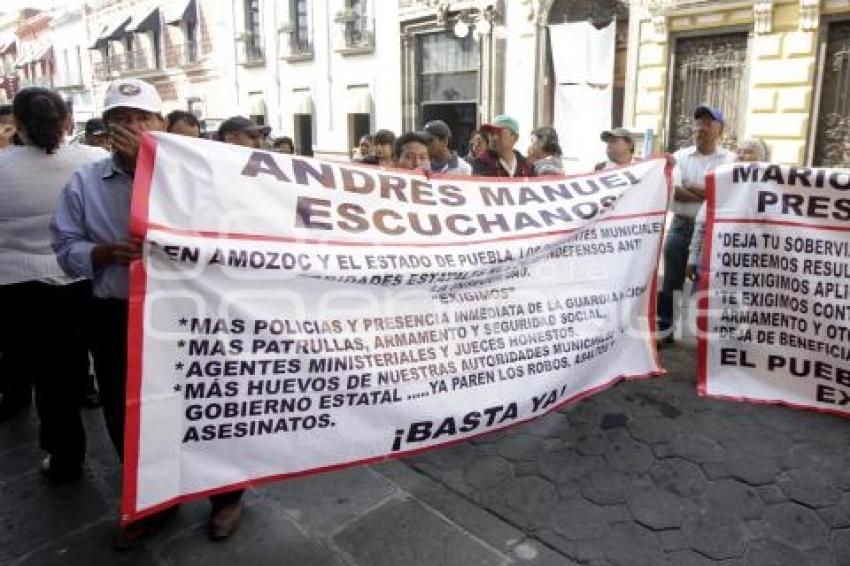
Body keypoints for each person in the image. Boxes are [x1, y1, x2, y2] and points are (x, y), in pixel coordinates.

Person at [51, 78, 243, 546]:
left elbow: (225, 235)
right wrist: (102, 254)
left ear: (160, 125)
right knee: (127, 412)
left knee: (205, 403)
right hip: (117, 314)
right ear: (106, 125)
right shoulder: (84, 181)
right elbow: (64, 244)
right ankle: (154, 500)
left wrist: (148, 168)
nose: (131, 128)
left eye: (141, 119)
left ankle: (226, 496)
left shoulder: (195, 175)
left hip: (187, 311)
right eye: (120, 119)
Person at [0, 87, 106, 472]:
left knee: (48, 377)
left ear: (18, 125)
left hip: (20, 289)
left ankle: (65, 455)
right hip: (85, 278)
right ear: (67, 121)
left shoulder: (3, 167)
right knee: (82, 361)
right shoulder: (94, 160)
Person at [657, 105, 734, 346]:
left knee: (702, 285)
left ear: (720, 130)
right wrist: (709, 192)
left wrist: (697, 187)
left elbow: (727, 194)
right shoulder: (680, 156)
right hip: (681, 226)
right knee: (671, 281)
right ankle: (665, 329)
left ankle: (700, 339)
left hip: (711, 230)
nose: (701, 127)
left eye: (708, 123)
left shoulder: (730, 160)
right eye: (698, 122)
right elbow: (675, 192)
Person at [686, 138, 768, 282]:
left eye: (748, 152)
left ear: (761, 159)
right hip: (713, 262)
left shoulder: (769, 188)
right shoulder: (722, 181)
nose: (741, 155)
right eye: (739, 151)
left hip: (750, 268)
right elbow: (701, 223)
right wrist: (692, 259)